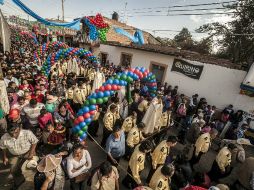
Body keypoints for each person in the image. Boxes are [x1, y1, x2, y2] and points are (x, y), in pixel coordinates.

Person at [0, 122, 38, 189]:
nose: (14, 135)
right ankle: (20, 181)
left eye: (16, 132)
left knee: (32, 167)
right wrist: (5, 157)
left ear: (19, 129)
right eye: (11, 133)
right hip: (14, 155)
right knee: (13, 170)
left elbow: (34, 142)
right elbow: (3, 148)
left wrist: (31, 153)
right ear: (7, 131)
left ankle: (36, 181)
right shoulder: (4, 137)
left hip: (27, 152)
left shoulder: (27, 133)